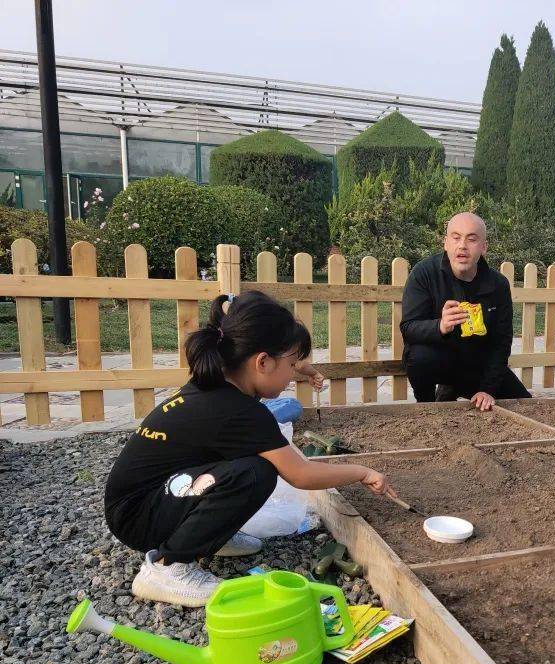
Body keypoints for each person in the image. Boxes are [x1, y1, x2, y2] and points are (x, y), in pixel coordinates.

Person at [104, 291, 397, 607]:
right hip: (139, 518)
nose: (293, 374)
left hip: (139, 503)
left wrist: (302, 368)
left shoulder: (216, 382)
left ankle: (209, 536)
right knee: (255, 473)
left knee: (249, 463)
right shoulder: (240, 412)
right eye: (291, 364)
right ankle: (167, 567)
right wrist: (363, 472)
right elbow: (301, 474)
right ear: (262, 361)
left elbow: (267, 373)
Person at [399, 212, 530, 411]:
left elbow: (501, 342)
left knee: (526, 405)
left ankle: (452, 390)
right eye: (456, 237)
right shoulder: (424, 273)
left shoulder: (498, 284)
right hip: (439, 359)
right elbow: (408, 328)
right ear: (446, 243)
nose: (462, 245)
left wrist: (488, 389)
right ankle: (426, 406)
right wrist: (440, 326)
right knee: (418, 355)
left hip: (476, 364)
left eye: (471, 239)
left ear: (483, 247)